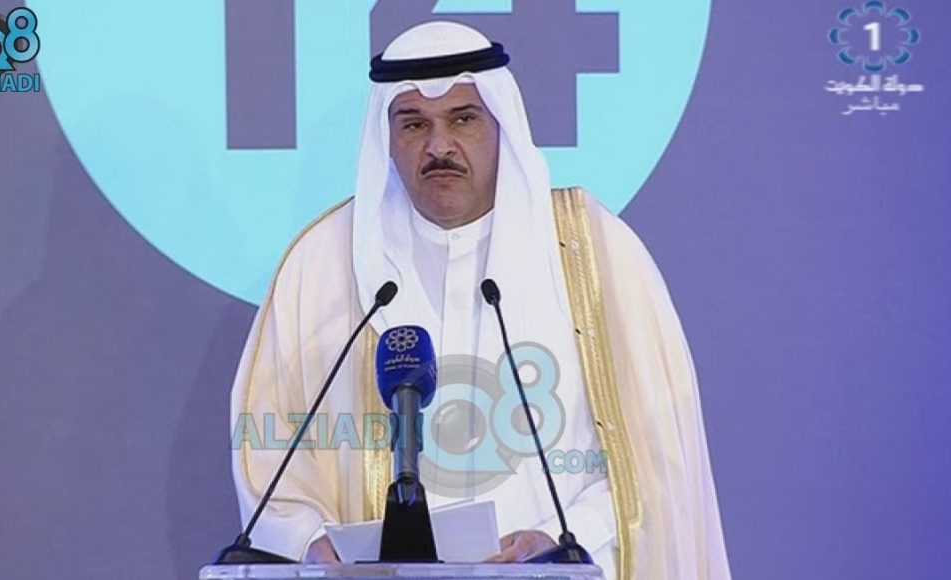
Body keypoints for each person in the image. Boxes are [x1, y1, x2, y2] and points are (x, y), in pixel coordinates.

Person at [230, 21, 730, 580]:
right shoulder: (322, 262)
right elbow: (267, 452)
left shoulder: (593, 252)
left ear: (501, 124)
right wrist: (308, 542)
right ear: (385, 138)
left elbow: (659, 457)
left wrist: (563, 540)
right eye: (413, 123)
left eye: (463, 119)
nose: (438, 146)